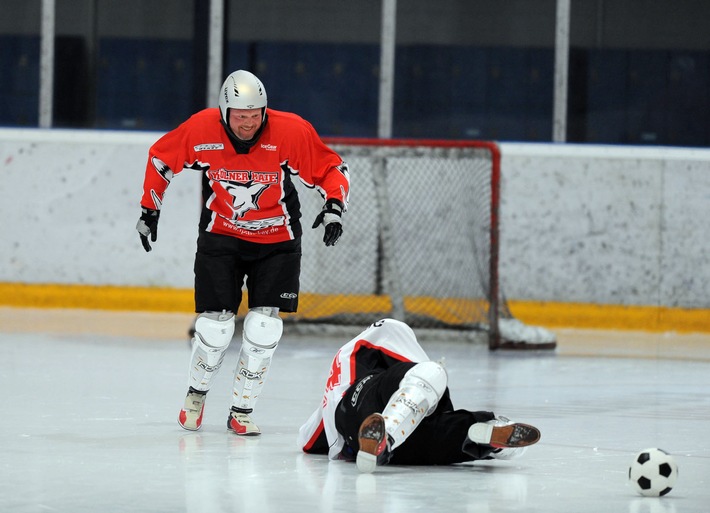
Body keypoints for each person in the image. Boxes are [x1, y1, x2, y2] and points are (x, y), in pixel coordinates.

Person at [136, 69, 350, 436]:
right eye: (240, 116)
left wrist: (333, 206)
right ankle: (197, 393)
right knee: (215, 327)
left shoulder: (290, 131)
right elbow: (160, 159)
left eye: (255, 116)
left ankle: (242, 409)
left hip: (278, 239)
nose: (249, 123)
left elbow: (331, 167)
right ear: (224, 112)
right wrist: (148, 210)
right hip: (221, 237)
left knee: (265, 327)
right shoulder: (201, 130)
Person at [298, 318, 541, 473]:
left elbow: (307, 442)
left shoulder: (333, 388)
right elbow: (422, 371)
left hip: (363, 433)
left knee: (444, 436)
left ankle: (386, 442)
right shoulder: (384, 333)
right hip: (363, 394)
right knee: (432, 373)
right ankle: (494, 436)